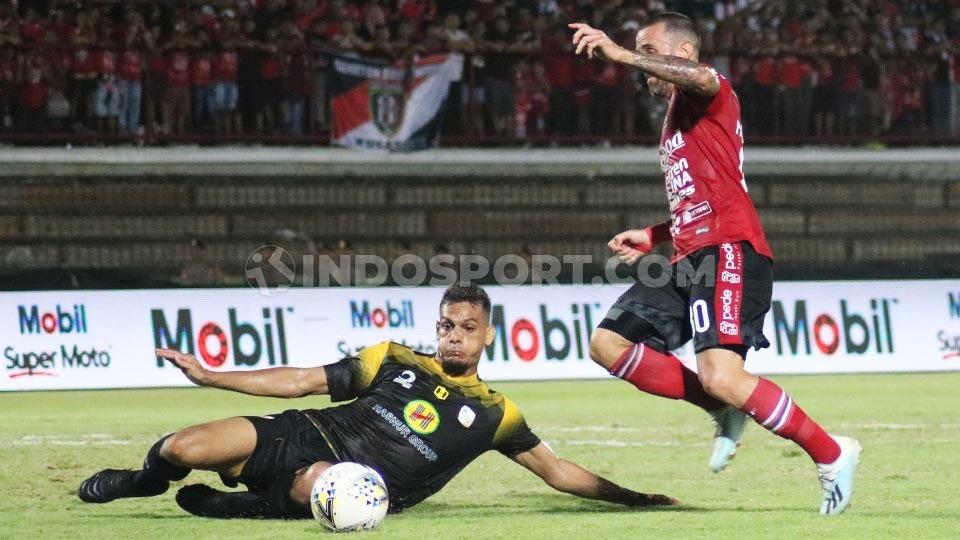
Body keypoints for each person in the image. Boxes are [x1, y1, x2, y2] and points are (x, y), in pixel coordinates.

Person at [569, 12, 861, 515]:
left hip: (730, 250)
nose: (644, 68)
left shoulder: (710, 90)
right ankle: (720, 411)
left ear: (682, 54)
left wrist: (618, 52)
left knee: (722, 374)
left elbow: (703, 75)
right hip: (689, 258)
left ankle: (833, 454)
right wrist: (655, 235)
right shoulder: (676, 122)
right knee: (607, 344)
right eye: (637, 55)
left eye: (649, 53)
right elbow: (699, 192)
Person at [78, 284, 676, 518]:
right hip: (303, 430)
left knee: (328, 487)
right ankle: (143, 481)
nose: (454, 336)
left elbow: (557, 471)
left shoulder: (497, 414)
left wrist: (635, 498)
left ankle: (248, 506)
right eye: (447, 325)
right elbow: (302, 381)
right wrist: (213, 377)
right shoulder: (393, 359)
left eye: (467, 327)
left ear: (488, 334)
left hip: (357, 480)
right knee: (183, 446)